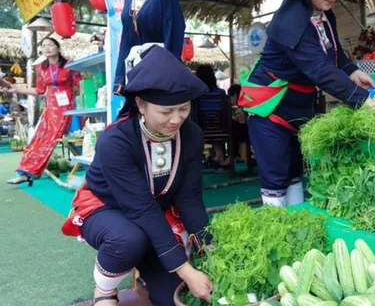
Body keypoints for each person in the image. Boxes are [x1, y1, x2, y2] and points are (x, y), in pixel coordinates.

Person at [239, 0, 375, 207]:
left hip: (299, 109)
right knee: (276, 178)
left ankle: (297, 227)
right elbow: (321, 71)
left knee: (295, 174)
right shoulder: (290, 21)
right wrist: (367, 103)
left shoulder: (325, 15)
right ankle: (277, 233)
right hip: (270, 109)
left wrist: (352, 71)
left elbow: (332, 50)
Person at [61, 46, 213, 306]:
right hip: (107, 210)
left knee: (174, 299)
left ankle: (148, 274)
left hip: (155, 215)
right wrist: (186, 270)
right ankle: (104, 291)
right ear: (140, 104)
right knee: (129, 239)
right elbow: (141, 209)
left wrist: (208, 246)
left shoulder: (192, 134)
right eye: (166, 112)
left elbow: (189, 198)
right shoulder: (115, 141)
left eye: (184, 109)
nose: (176, 119)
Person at [2, 37, 80, 186]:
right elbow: (39, 90)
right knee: (39, 140)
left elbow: (79, 87)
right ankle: (23, 173)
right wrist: (16, 88)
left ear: (58, 48)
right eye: (44, 46)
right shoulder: (41, 68)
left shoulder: (70, 65)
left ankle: (95, 169)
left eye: (51, 45)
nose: (47, 48)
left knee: (72, 139)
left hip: (67, 108)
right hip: (50, 109)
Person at [194, 65, 228, 167]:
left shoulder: (196, 94)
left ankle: (198, 159)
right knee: (220, 125)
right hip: (220, 128)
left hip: (201, 128)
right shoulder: (221, 93)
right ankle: (219, 155)